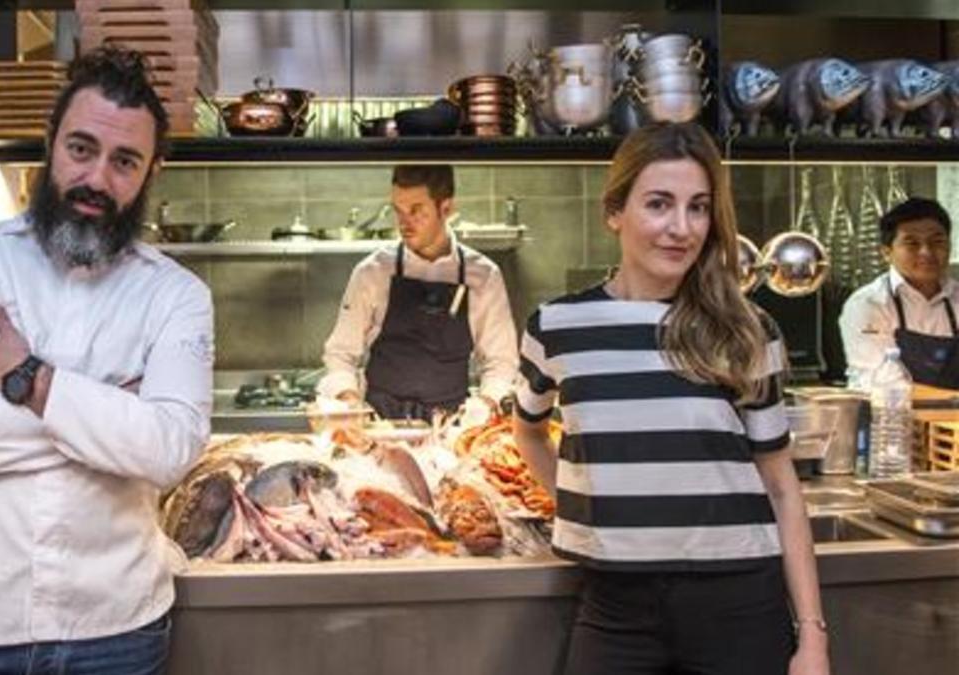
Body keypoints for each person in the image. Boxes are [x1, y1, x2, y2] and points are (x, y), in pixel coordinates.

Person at [0, 47, 213, 675]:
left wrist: (28, 381)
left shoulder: (176, 293)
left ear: (150, 173)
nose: (98, 178)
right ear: (50, 144)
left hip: (115, 629)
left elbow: (171, 450)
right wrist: (112, 415)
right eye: (81, 149)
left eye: (125, 161)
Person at [514, 123, 829, 675]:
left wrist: (812, 638)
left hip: (740, 605)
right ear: (615, 211)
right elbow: (529, 432)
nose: (681, 228)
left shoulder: (749, 330)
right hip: (615, 608)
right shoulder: (557, 327)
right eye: (659, 204)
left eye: (699, 208)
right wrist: (588, 507)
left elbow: (781, 487)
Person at [317, 164, 518, 421]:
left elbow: (501, 362)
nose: (404, 223)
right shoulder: (372, 271)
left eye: (416, 211)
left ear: (446, 208)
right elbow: (340, 354)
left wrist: (486, 402)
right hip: (381, 426)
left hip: (450, 429)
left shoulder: (484, 275)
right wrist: (350, 400)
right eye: (398, 210)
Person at [839, 197, 958, 390]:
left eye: (937, 242)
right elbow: (885, 382)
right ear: (887, 252)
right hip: (885, 416)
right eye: (912, 244)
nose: (926, 252)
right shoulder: (868, 303)